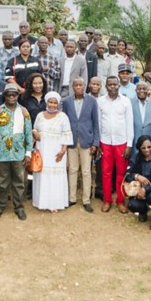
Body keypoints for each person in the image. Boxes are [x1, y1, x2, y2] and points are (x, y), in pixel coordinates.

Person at [0, 85, 34, 220]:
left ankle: (19, 207)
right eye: (9, 95)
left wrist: (28, 153)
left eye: (14, 95)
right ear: (5, 96)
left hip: (18, 154)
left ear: (18, 96)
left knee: (19, 182)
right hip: (1, 154)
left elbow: (28, 134)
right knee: (2, 183)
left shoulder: (24, 112)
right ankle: (0, 206)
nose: (12, 97)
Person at [62, 77, 100, 213]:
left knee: (86, 171)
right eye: (76, 85)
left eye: (81, 85)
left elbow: (96, 123)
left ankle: (86, 200)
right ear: (72, 87)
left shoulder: (92, 101)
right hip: (71, 140)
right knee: (72, 170)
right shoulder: (66, 102)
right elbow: (64, 121)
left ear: (85, 86)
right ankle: (71, 198)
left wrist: (95, 142)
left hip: (87, 141)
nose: (78, 87)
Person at [31, 92, 74, 212]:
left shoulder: (63, 116)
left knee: (55, 177)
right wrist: (35, 133)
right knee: (43, 175)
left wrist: (63, 151)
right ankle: (42, 202)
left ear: (58, 104)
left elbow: (67, 135)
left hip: (56, 151)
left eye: (55, 103)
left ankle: (55, 203)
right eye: (50, 102)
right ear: (46, 102)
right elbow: (35, 128)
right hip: (42, 150)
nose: (52, 105)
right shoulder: (40, 115)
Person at [98, 76, 134, 213]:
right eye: (110, 84)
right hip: (105, 142)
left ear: (119, 86)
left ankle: (120, 201)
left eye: (115, 84)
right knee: (106, 173)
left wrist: (129, 145)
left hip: (121, 142)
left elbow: (129, 123)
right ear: (106, 86)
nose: (112, 87)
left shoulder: (126, 102)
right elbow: (99, 123)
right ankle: (107, 200)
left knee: (121, 173)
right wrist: (98, 143)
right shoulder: (100, 101)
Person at [124, 135, 151, 225]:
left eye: (149, 147)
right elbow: (127, 176)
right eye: (143, 148)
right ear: (139, 148)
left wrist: (146, 189)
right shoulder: (135, 157)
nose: (146, 150)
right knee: (132, 205)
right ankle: (143, 212)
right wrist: (137, 176)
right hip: (139, 191)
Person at [131, 81, 151, 154]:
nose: (141, 91)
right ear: (136, 90)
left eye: (144, 89)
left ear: (148, 90)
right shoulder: (130, 103)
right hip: (134, 143)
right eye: (139, 89)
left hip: (150, 144)